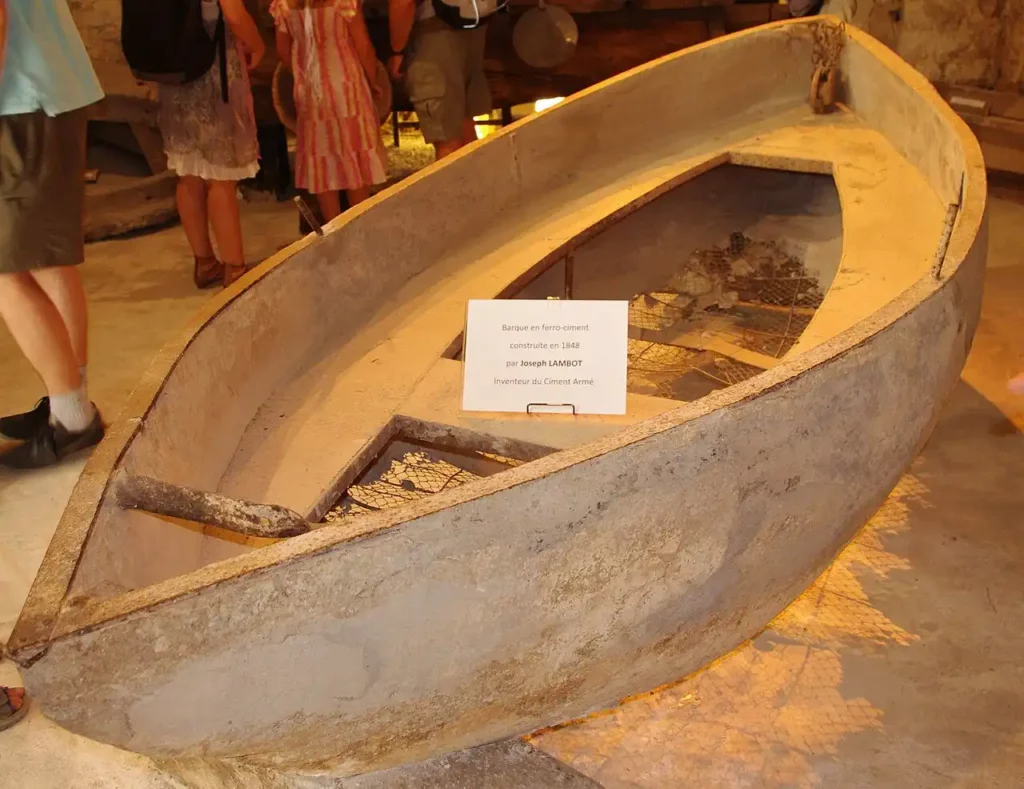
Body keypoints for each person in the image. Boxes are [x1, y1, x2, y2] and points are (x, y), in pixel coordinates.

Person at [0, 0, 105, 469]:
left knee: (6, 273)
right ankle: (69, 401)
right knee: (47, 259)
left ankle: (72, 420)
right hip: (52, 86)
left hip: (19, 99)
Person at [159, 0, 264, 289]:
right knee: (221, 175)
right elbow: (233, 14)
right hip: (213, 70)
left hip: (173, 73)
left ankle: (205, 263)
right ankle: (237, 270)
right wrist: (258, 46)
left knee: (189, 172)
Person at [271, 0, 387, 222]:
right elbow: (362, 44)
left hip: (310, 89)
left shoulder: (284, 4)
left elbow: (282, 49)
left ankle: (332, 229)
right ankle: (359, 225)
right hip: (346, 83)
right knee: (355, 159)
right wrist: (373, 80)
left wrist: (300, 71)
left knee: (322, 161)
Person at [387, 0, 491, 161]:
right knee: (465, 127)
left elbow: (403, 3)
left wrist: (396, 50)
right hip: (473, 22)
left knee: (447, 140)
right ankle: (479, 184)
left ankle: (455, 186)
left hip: (433, 34)